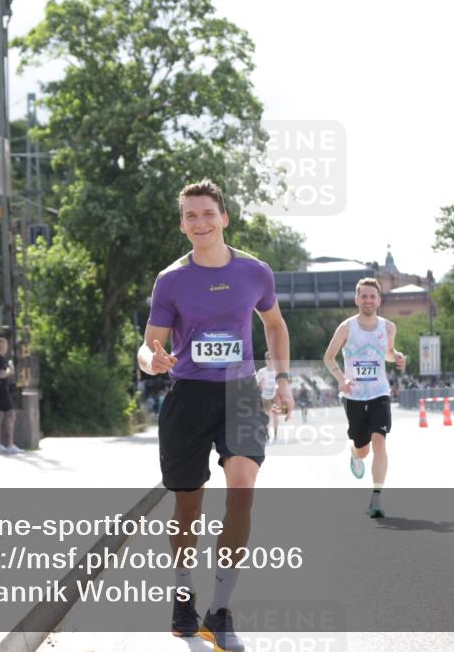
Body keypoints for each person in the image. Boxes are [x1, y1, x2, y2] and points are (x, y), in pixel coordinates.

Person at [137, 180, 293, 652]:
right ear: (182, 224)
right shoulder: (171, 280)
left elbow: (275, 324)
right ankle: (183, 592)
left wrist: (282, 380)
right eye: (190, 216)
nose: (200, 223)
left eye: (207, 214)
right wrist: (153, 361)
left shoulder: (255, 272)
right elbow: (148, 346)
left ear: (224, 217)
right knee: (187, 509)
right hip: (187, 397)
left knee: (242, 491)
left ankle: (220, 610)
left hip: (240, 394)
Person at [323, 278, 406, 519]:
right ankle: (354, 452)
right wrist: (341, 379)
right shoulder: (347, 327)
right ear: (357, 299)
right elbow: (329, 357)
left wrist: (397, 356)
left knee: (380, 441)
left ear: (379, 300)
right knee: (363, 450)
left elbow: (387, 354)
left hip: (379, 392)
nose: (368, 300)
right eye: (364, 296)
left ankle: (376, 497)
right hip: (354, 396)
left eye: (373, 297)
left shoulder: (388, 327)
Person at [255, 351, 281, 442]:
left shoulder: (277, 371)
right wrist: (260, 383)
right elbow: (255, 383)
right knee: (266, 416)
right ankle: (268, 435)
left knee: (275, 416)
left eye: (271, 359)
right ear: (265, 360)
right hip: (264, 396)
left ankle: (276, 435)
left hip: (275, 395)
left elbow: (281, 383)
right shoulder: (262, 371)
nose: (269, 361)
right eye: (268, 359)